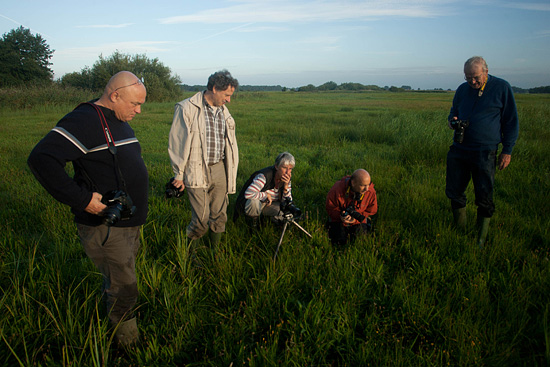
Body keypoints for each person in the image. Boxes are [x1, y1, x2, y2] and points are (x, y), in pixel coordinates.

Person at [27, 71, 148, 346]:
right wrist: (82, 200)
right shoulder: (85, 119)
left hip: (126, 223)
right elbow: (42, 159)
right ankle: (127, 346)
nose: (139, 111)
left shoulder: (116, 117)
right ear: (115, 95)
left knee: (120, 279)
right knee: (125, 288)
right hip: (106, 227)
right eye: (134, 104)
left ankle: (122, 330)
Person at [446, 56, 519, 246]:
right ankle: (459, 231)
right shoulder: (463, 90)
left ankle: (480, 239)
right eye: (468, 77)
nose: (472, 82)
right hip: (460, 148)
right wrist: (452, 121)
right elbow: (453, 111)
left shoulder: (502, 88)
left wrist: (507, 150)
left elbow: (511, 122)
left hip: (485, 151)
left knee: (484, 194)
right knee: (454, 191)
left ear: (486, 72)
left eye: (476, 77)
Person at [168, 70, 239, 246]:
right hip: (196, 168)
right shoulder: (186, 108)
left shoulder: (224, 111)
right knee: (201, 219)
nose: (229, 99)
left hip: (220, 167)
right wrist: (179, 174)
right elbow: (177, 142)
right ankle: (190, 256)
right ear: (214, 88)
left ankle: (214, 253)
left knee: (220, 214)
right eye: (227, 94)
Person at [234, 152, 295, 228]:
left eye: (290, 169)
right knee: (253, 202)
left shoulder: (286, 179)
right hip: (253, 204)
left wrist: (285, 188)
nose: (287, 172)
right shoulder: (264, 176)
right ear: (276, 166)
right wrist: (266, 195)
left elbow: (287, 202)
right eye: (284, 168)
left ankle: (269, 223)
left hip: (269, 204)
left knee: (286, 212)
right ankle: (252, 225)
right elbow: (248, 193)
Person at [326, 169, 377, 246]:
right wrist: (340, 216)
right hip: (339, 220)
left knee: (360, 241)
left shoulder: (370, 191)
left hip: (359, 221)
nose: (366, 189)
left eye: (368, 184)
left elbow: (372, 210)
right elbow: (330, 208)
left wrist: (356, 219)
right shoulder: (337, 190)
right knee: (338, 242)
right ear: (353, 183)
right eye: (363, 185)